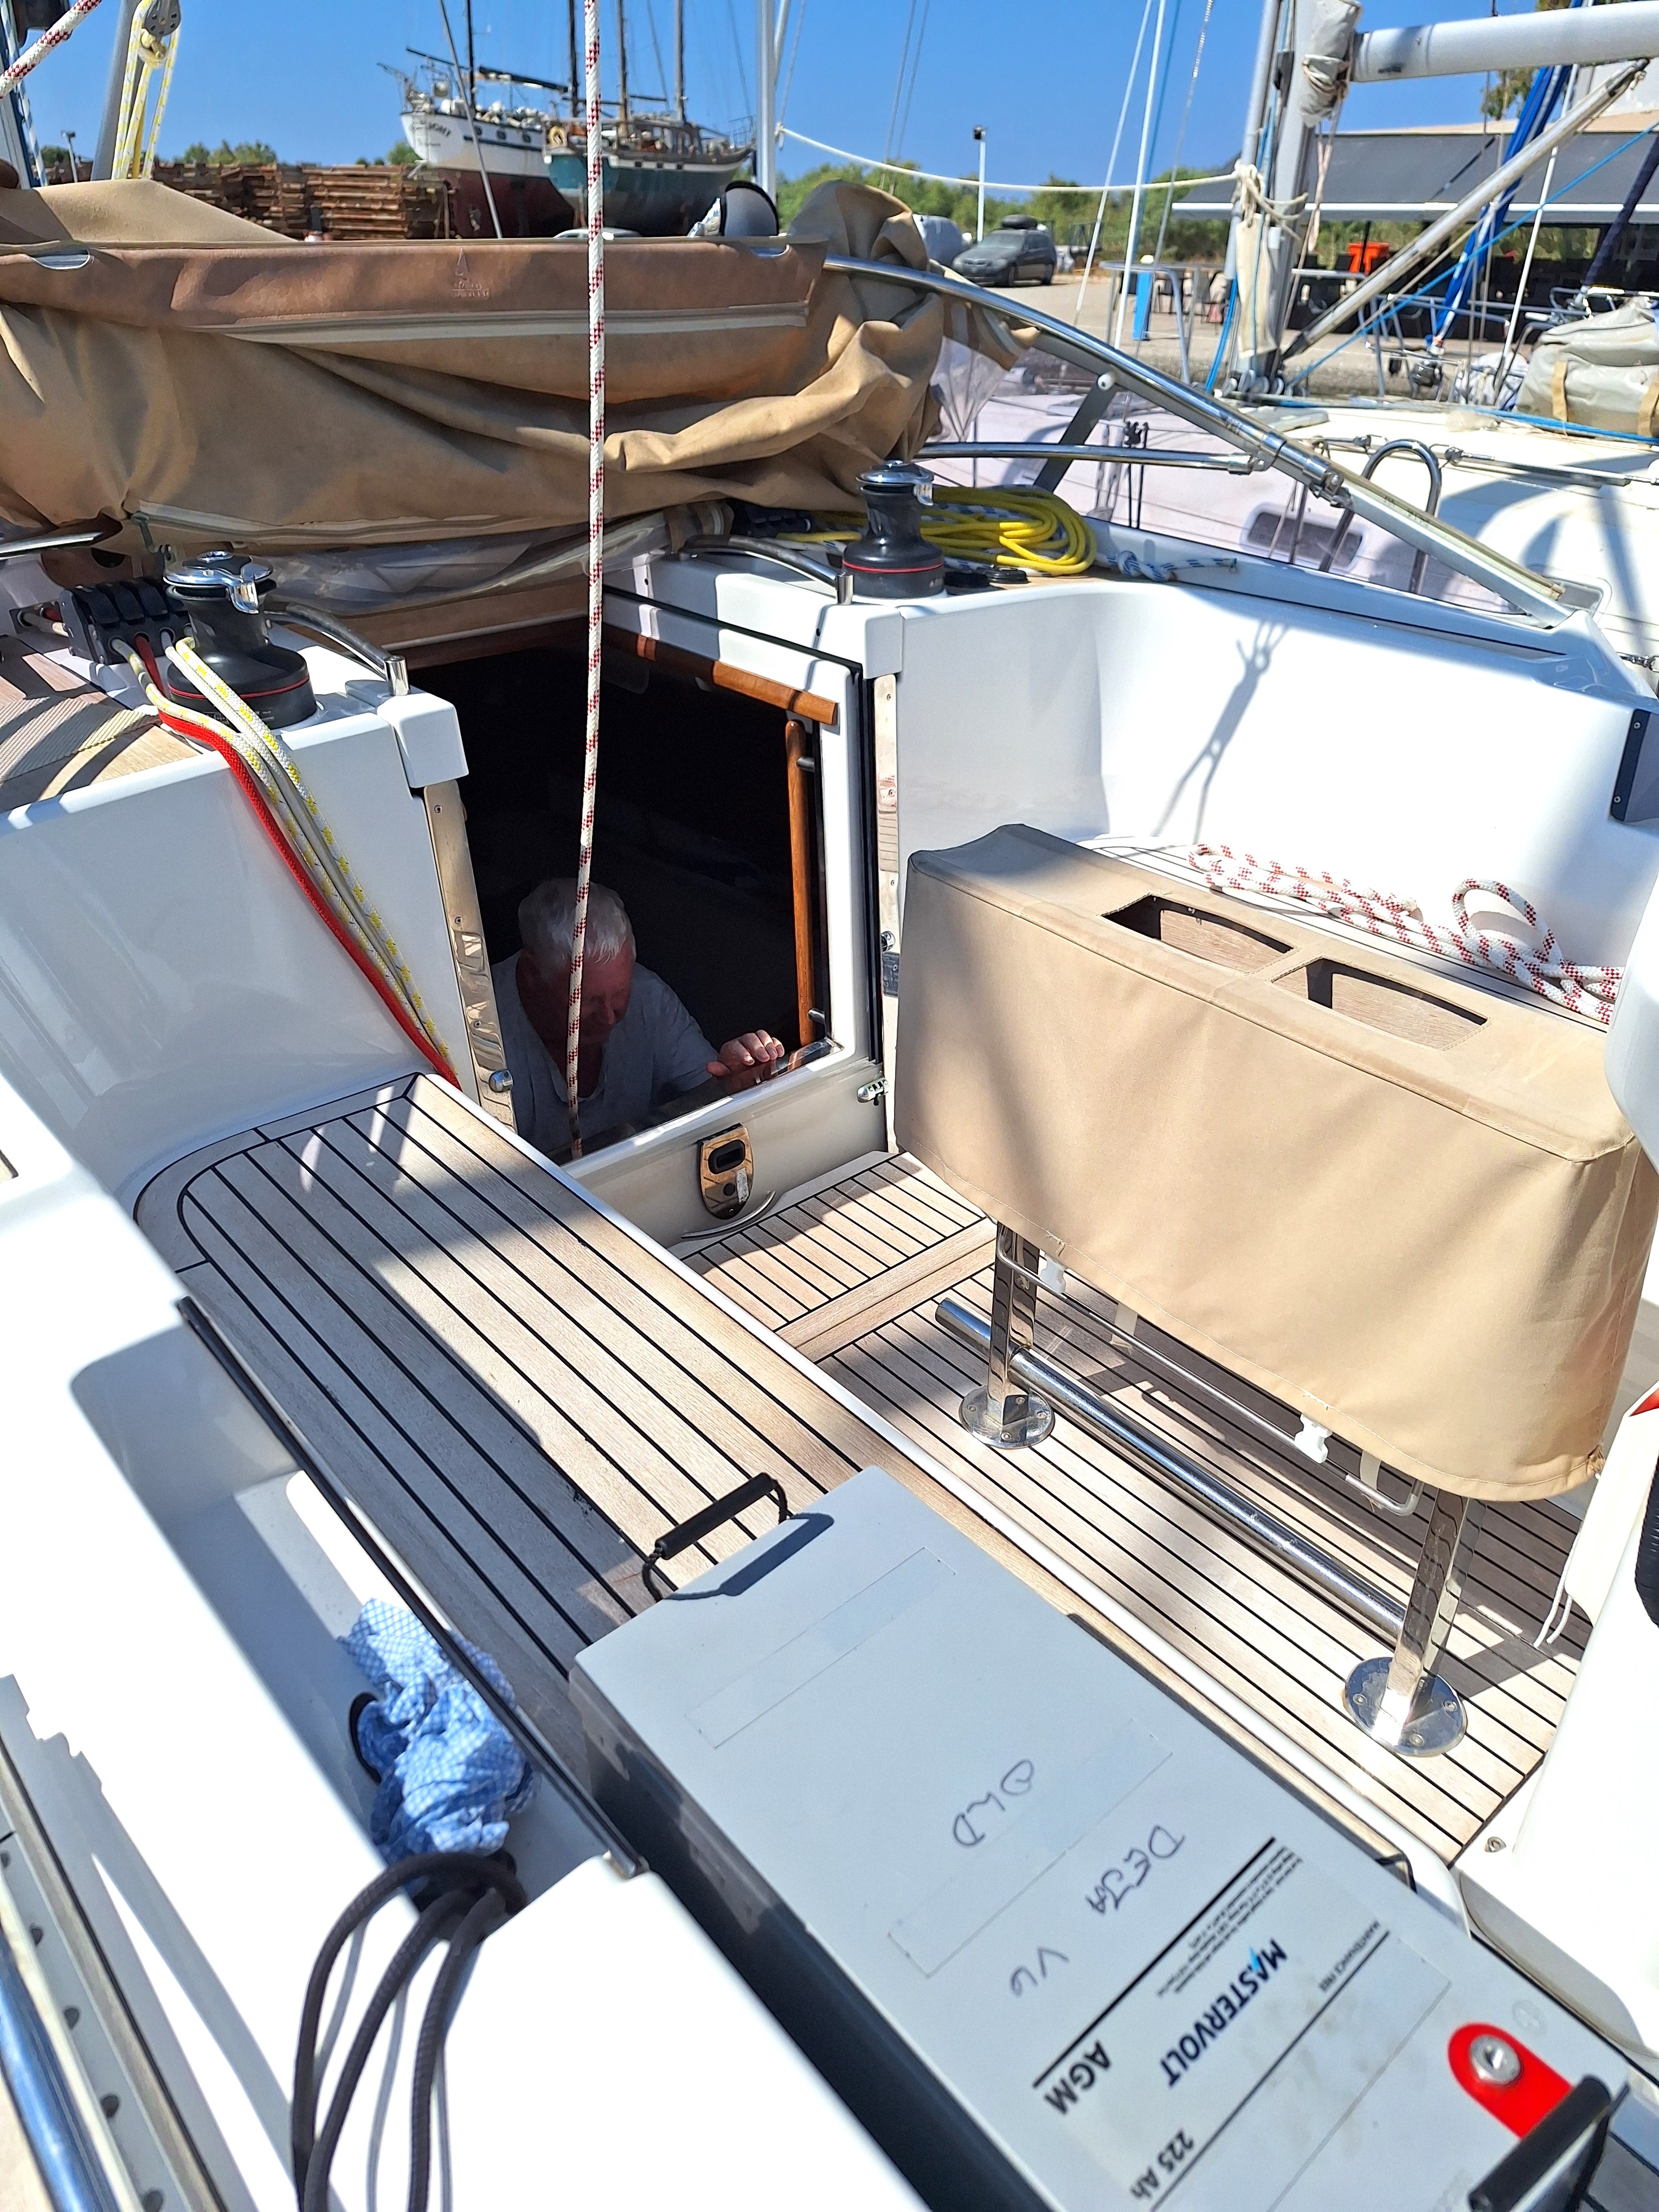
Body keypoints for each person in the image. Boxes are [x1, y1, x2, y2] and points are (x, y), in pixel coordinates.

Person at [492, 877, 785, 1155]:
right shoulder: (480, 1030)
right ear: (532, 974)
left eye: (620, 993)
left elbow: (711, 1099)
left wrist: (733, 1079)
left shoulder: (649, 997)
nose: (609, 1017)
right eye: (589, 1000)